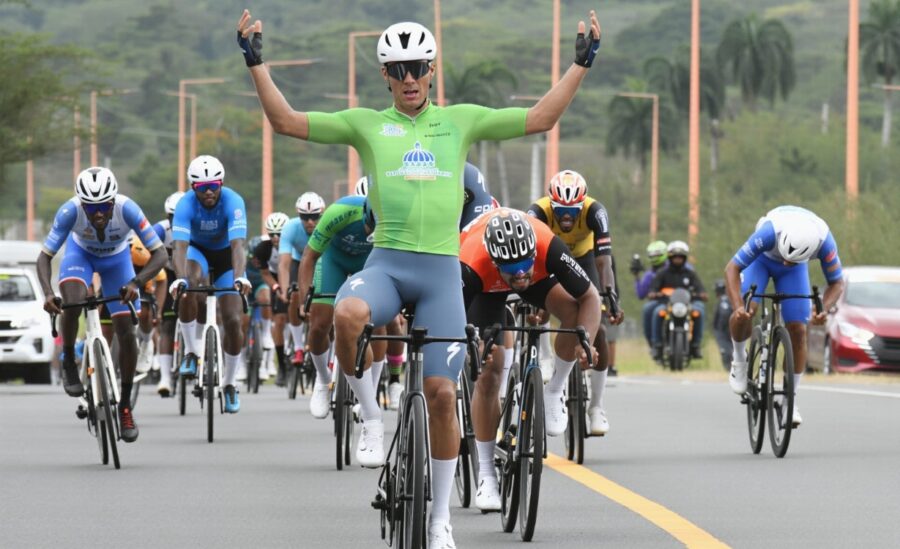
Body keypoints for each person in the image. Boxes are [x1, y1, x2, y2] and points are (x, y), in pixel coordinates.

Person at [239, 9, 602, 546]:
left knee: (439, 392)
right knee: (346, 313)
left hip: (441, 276)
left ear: (432, 70)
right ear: (385, 75)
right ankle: (369, 418)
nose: (409, 78)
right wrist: (256, 63)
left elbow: (539, 118)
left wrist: (580, 64)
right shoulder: (367, 123)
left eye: (418, 68)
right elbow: (287, 122)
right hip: (386, 265)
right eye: (398, 68)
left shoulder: (461, 120)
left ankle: (438, 520)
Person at [460, 209, 603, 510]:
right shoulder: (471, 261)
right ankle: (486, 472)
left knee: (575, 314)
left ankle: (554, 391)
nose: (520, 273)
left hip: (540, 276)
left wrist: (585, 342)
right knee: (487, 375)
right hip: (486, 288)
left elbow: (591, 297)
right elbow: (455, 318)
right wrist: (474, 349)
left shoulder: (546, 245)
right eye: (513, 269)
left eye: (525, 263)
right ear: (498, 261)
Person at [37, 166, 166, 442]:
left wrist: (135, 283)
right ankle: (70, 361)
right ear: (81, 203)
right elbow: (44, 257)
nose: (98, 213)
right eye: (91, 207)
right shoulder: (69, 212)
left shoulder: (128, 209)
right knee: (72, 301)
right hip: (79, 255)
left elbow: (160, 255)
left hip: (118, 261)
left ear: (114, 201)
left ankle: (126, 406)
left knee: (126, 329)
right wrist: (48, 293)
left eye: (104, 206)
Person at [725, 206, 844, 426]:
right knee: (746, 312)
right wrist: (738, 306)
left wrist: (822, 309)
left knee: (798, 330)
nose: (785, 262)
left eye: (792, 259)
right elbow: (731, 268)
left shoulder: (824, 241)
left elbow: (837, 283)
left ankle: (789, 400)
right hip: (761, 260)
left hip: (795, 273)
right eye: (786, 257)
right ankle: (739, 360)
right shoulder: (769, 232)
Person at [168, 155, 250, 414]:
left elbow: (238, 246)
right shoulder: (185, 205)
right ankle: (191, 352)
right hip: (197, 252)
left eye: (214, 185)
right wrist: (179, 279)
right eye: (202, 188)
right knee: (188, 286)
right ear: (193, 187)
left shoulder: (234, 201)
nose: (209, 192)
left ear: (221, 183)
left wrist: (240, 277)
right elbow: (179, 247)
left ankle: (229, 383)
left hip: (227, 256)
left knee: (233, 320)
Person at [526, 169, 621, 379]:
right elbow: (531, 258)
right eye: (560, 211)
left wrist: (611, 296)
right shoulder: (537, 211)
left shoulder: (596, 211)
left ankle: (596, 406)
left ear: (583, 205)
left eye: (573, 211)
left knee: (601, 331)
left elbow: (604, 261)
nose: (567, 217)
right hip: (550, 259)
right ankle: (545, 354)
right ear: (551, 205)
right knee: (542, 307)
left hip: (584, 258)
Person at [297, 194, 381, 418]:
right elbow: (308, 257)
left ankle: (370, 394)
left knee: (382, 322)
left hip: (369, 262)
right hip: (334, 259)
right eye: (369, 225)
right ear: (365, 213)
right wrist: (305, 299)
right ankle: (323, 381)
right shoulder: (340, 211)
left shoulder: (392, 221)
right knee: (319, 324)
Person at [277, 192, 325, 366]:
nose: (310, 221)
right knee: (295, 294)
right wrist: (284, 290)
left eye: (314, 217)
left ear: (322, 213)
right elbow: (283, 264)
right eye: (305, 217)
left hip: (322, 261)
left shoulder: (328, 225)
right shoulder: (290, 227)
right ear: (299, 215)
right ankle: (298, 347)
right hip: (299, 261)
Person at [648, 241, 707, 361]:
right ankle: (657, 345)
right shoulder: (662, 273)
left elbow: (701, 289)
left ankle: (696, 345)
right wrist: (654, 293)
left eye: (680, 257)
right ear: (670, 258)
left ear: (684, 258)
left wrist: (701, 294)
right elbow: (652, 289)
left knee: (699, 311)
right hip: (666, 304)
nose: (678, 259)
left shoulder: (691, 274)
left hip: (688, 305)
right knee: (656, 312)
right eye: (675, 257)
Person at [251, 212, 292, 385]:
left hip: (295, 275)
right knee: (280, 319)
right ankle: (282, 365)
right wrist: (275, 287)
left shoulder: (294, 243)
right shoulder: (263, 248)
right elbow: (265, 273)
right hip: (276, 279)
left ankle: (300, 345)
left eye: (279, 234)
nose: (276, 238)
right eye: (272, 234)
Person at [153, 191, 184, 396]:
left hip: (192, 272)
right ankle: (165, 377)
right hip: (168, 275)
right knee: (168, 325)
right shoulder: (161, 230)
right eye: (173, 217)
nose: (176, 221)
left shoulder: (197, 226)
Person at [632, 240, 667, 346]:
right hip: (658, 301)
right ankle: (653, 342)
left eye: (657, 255)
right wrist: (637, 276)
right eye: (652, 255)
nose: (655, 257)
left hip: (676, 300)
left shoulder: (674, 268)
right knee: (648, 309)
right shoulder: (649, 275)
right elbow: (641, 294)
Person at [712, 280, 733, 371]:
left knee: (725, 349)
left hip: (723, 329)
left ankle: (728, 368)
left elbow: (722, 315)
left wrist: (717, 328)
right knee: (733, 348)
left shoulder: (722, 301)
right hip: (732, 329)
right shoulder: (731, 299)